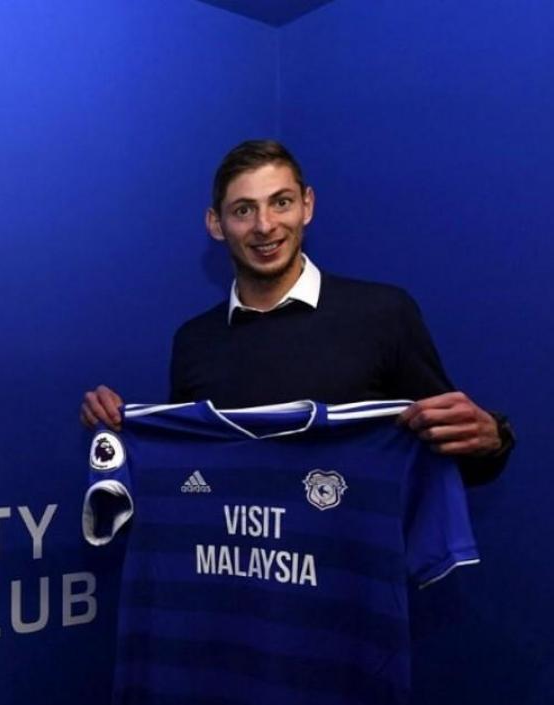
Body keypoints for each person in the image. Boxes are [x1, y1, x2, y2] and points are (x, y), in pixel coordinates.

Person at [80, 140, 513, 484]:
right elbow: (184, 474)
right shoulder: (194, 340)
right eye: (243, 210)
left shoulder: (384, 313)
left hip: (351, 582)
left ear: (307, 205)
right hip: (232, 580)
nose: (265, 225)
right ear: (216, 224)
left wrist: (491, 439)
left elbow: (460, 459)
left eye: (281, 202)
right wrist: (120, 430)